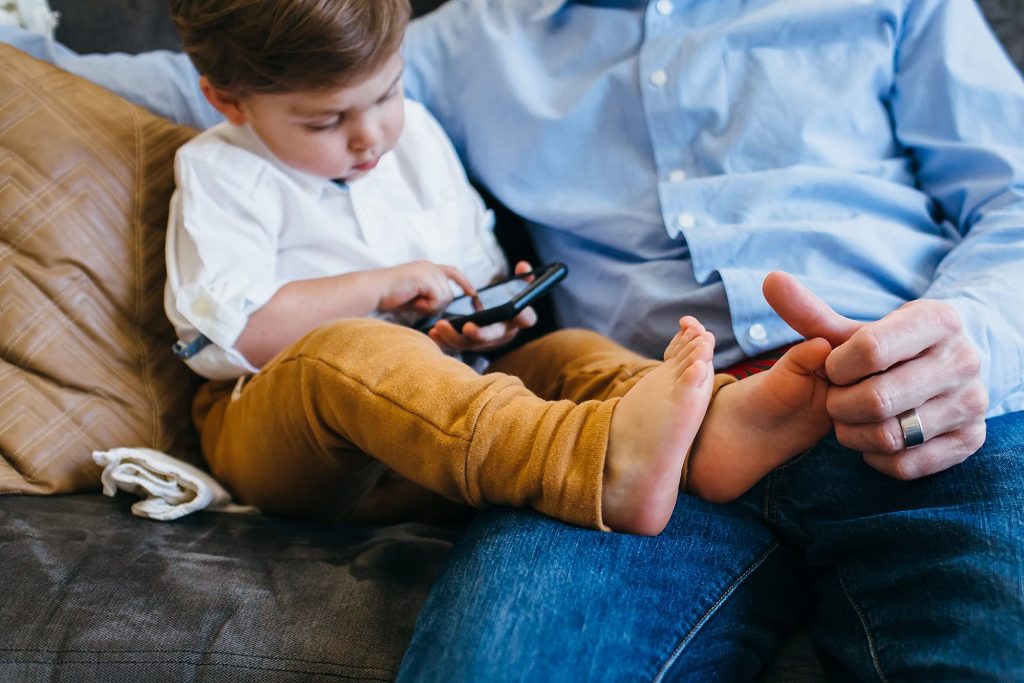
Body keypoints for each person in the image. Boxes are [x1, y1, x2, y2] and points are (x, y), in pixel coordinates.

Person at [2, 0, 1021, 677]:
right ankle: (678, 432)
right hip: (622, 433)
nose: (368, 131)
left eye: (380, 105)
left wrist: (963, 335)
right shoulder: (460, 45)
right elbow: (237, 77)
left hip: (913, 400)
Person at [155, 0, 839, 538]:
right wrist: (376, 288)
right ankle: (592, 467)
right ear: (228, 102)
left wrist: (474, 324)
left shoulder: (413, 135)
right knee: (353, 348)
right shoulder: (222, 169)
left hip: (444, 440)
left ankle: (712, 429)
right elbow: (223, 337)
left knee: (570, 353)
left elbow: (467, 275)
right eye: (325, 120)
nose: (370, 136)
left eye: (386, 94)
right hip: (297, 442)